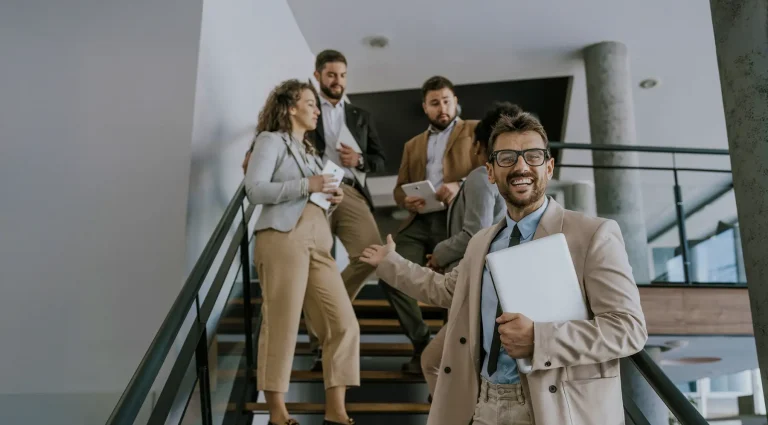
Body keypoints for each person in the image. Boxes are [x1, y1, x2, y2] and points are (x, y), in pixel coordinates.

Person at [361, 110, 647, 425]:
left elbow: (628, 329)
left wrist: (540, 339)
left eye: (533, 156)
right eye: (507, 157)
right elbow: (446, 290)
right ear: (491, 172)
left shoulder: (593, 234)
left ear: (548, 167)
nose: (521, 166)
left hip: (553, 408)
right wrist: (390, 262)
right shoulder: (481, 242)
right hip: (483, 404)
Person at [243, 49, 385, 372]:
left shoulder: (358, 116)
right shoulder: (285, 131)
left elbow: (379, 158)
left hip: (339, 192)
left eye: (343, 75)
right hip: (299, 209)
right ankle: (316, 345)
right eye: (332, 74)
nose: (339, 81)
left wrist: (358, 161)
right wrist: (257, 154)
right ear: (318, 75)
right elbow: (268, 159)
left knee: (370, 254)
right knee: (283, 318)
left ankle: (321, 321)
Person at [244, 79, 359, 425]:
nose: (315, 110)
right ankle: (278, 412)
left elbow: (314, 192)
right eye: (309, 103)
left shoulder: (310, 152)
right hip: (282, 238)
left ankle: (336, 412)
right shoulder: (270, 141)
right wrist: (308, 185)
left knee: (344, 323)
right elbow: (255, 189)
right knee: (282, 322)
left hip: (318, 240)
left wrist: (331, 197)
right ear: (290, 107)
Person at [381, 76, 482, 374]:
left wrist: (459, 184)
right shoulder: (412, 145)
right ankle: (423, 343)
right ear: (425, 107)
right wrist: (405, 200)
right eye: (435, 103)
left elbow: (488, 168)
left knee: (454, 289)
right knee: (388, 272)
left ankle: (448, 357)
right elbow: (399, 188)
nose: (442, 107)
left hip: (458, 219)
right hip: (420, 220)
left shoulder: (474, 130)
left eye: (446, 101)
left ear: (455, 101)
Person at [418, 102, 515, 397]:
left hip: (473, 285)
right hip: (486, 286)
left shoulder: (480, 177)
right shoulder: (504, 181)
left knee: (434, 363)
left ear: (478, 145)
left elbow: (475, 234)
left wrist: (438, 253)